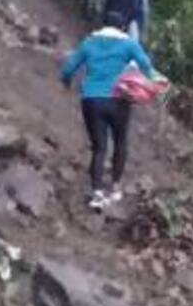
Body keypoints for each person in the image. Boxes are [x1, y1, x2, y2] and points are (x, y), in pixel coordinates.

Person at [60, 11, 156, 211]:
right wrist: (147, 85)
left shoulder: (89, 43)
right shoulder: (128, 44)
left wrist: (67, 82)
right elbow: (145, 65)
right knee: (120, 142)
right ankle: (115, 188)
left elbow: (69, 67)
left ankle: (97, 193)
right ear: (122, 28)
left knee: (99, 147)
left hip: (92, 100)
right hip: (119, 99)